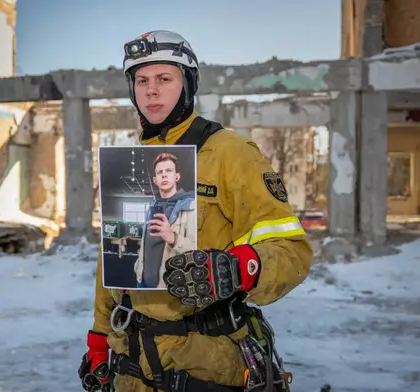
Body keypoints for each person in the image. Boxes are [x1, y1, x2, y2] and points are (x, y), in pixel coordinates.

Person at [78, 30, 313, 392]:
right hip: (133, 366)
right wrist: (98, 339)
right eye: (141, 80)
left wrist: (239, 268)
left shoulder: (231, 154)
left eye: (164, 78)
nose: (151, 90)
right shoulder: (131, 164)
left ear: (188, 84)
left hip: (206, 364)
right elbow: (112, 260)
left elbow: (292, 250)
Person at [133, 152, 197, 289]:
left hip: (168, 287)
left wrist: (173, 238)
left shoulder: (191, 206)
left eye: (168, 170)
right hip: (142, 282)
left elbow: (197, 251)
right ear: (155, 180)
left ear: (177, 176)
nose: (164, 174)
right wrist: (138, 267)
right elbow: (145, 244)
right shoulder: (152, 206)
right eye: (160, 172)